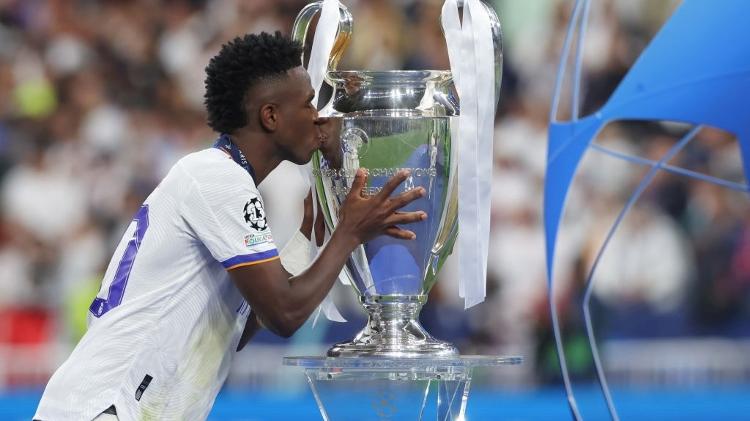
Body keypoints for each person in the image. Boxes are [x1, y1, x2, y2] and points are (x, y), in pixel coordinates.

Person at [34, 31, 426, 421]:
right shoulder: (216, 178)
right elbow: (283, 314)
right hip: (106, 407)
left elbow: (242, 323)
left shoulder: (219, 178)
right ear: (270, 115)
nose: (318, 116)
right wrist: (351, 233)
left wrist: (314, 232)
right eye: (308, 103)